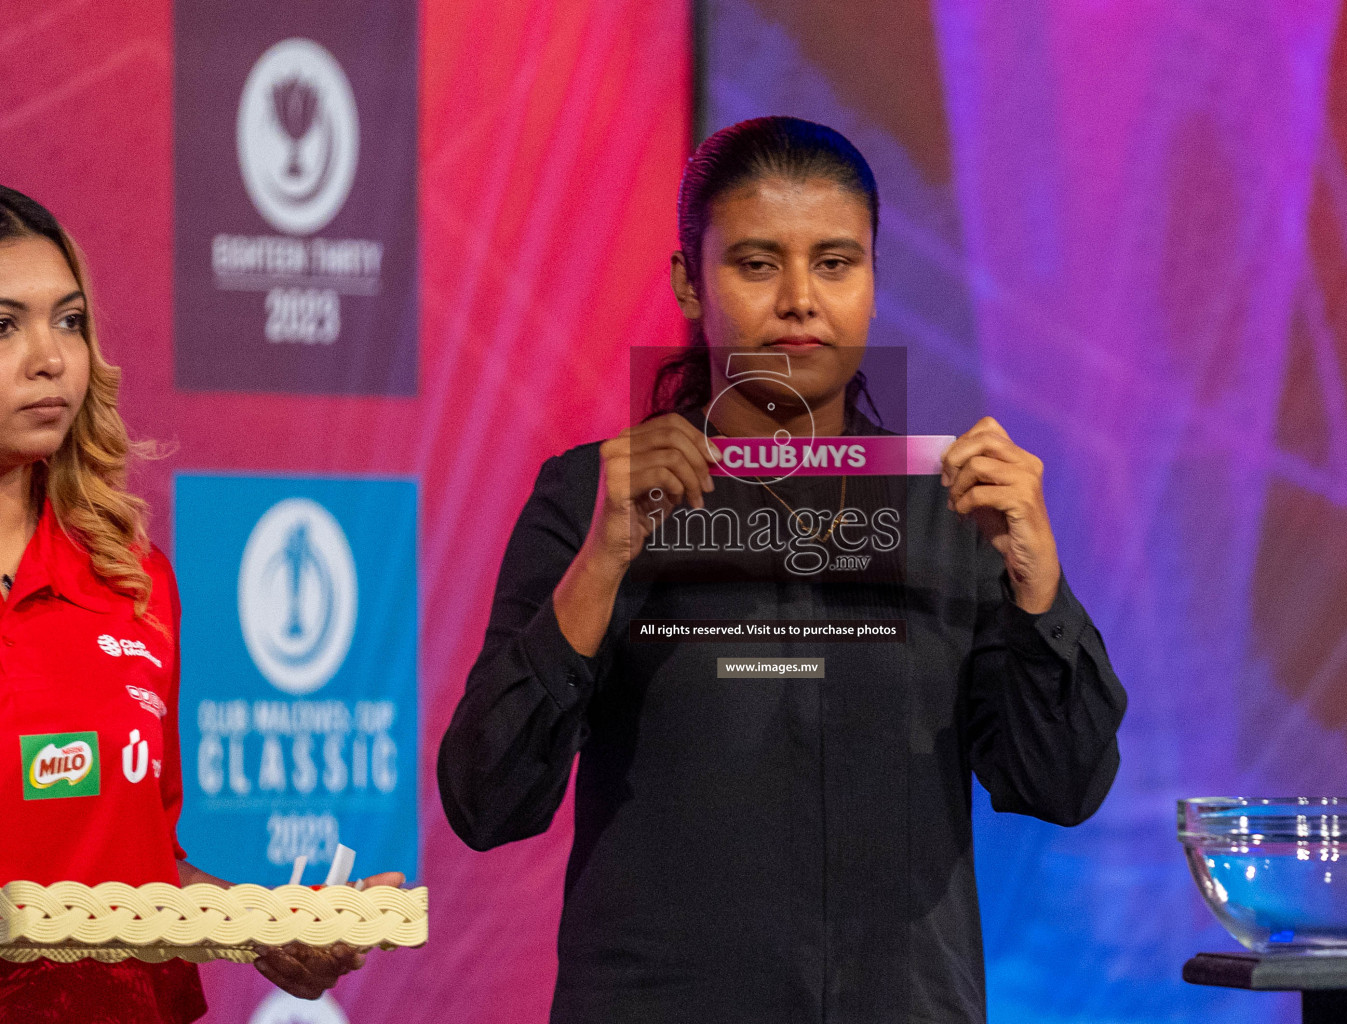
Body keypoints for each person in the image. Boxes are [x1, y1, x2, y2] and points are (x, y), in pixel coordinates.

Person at [438, 117, 1127, 1023]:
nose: (801, 299)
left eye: (836, 263)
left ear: (875, 281)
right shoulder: (592, 498)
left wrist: (1040, 585)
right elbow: (488, 802)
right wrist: (605, 560)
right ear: (690, 281)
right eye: (758, 264)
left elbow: (1062, 786)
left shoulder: (953, 507)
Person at [0, 186, 400, 1022]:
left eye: (68, 321)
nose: (49, 358)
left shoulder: (133, 584)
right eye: (5, 325)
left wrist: (269, 930)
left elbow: (148, 872)